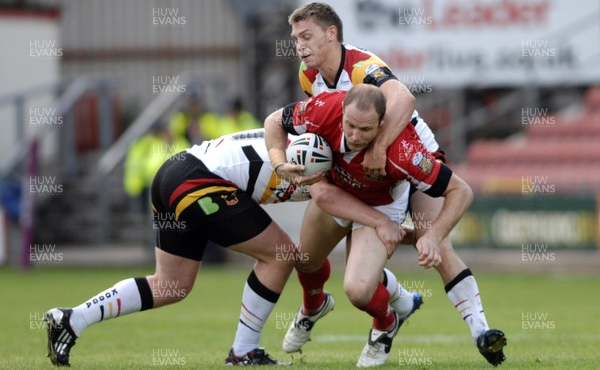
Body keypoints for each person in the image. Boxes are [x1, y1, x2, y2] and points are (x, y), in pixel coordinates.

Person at [44, 128, 408, 367]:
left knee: (171, 286)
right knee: (280, 255)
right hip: (198, 180)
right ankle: (244, 351)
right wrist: (385, 223)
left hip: (174, 173)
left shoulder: (321, 138)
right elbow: (332, 204)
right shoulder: (331, 153)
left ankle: (73, 318)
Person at [285, 2, 507, 366]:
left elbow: (403, 98)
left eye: (306, 36)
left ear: (331, 34)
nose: (299, 45)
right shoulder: (308, 77)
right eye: (295, 38)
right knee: (312, 258)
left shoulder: (361, 65)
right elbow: (313, 128)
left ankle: (481, 331)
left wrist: (380, 148)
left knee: (433, 240)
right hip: (363, 169)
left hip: (410, 159)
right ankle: (390, 299)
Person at [265, 85, 490, 367]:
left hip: (380, 206)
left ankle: (387, 322)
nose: (356, 136)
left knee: (358, 291)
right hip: (338, 195)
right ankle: (313, 307)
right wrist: (278, 163)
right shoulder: (323, 109)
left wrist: (433, 235)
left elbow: (462, 191)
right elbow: (274, 122)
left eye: (366, 130)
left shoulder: (405, 152)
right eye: (350, 126)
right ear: (342, 112)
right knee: (305, 262)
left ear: (382, 124)